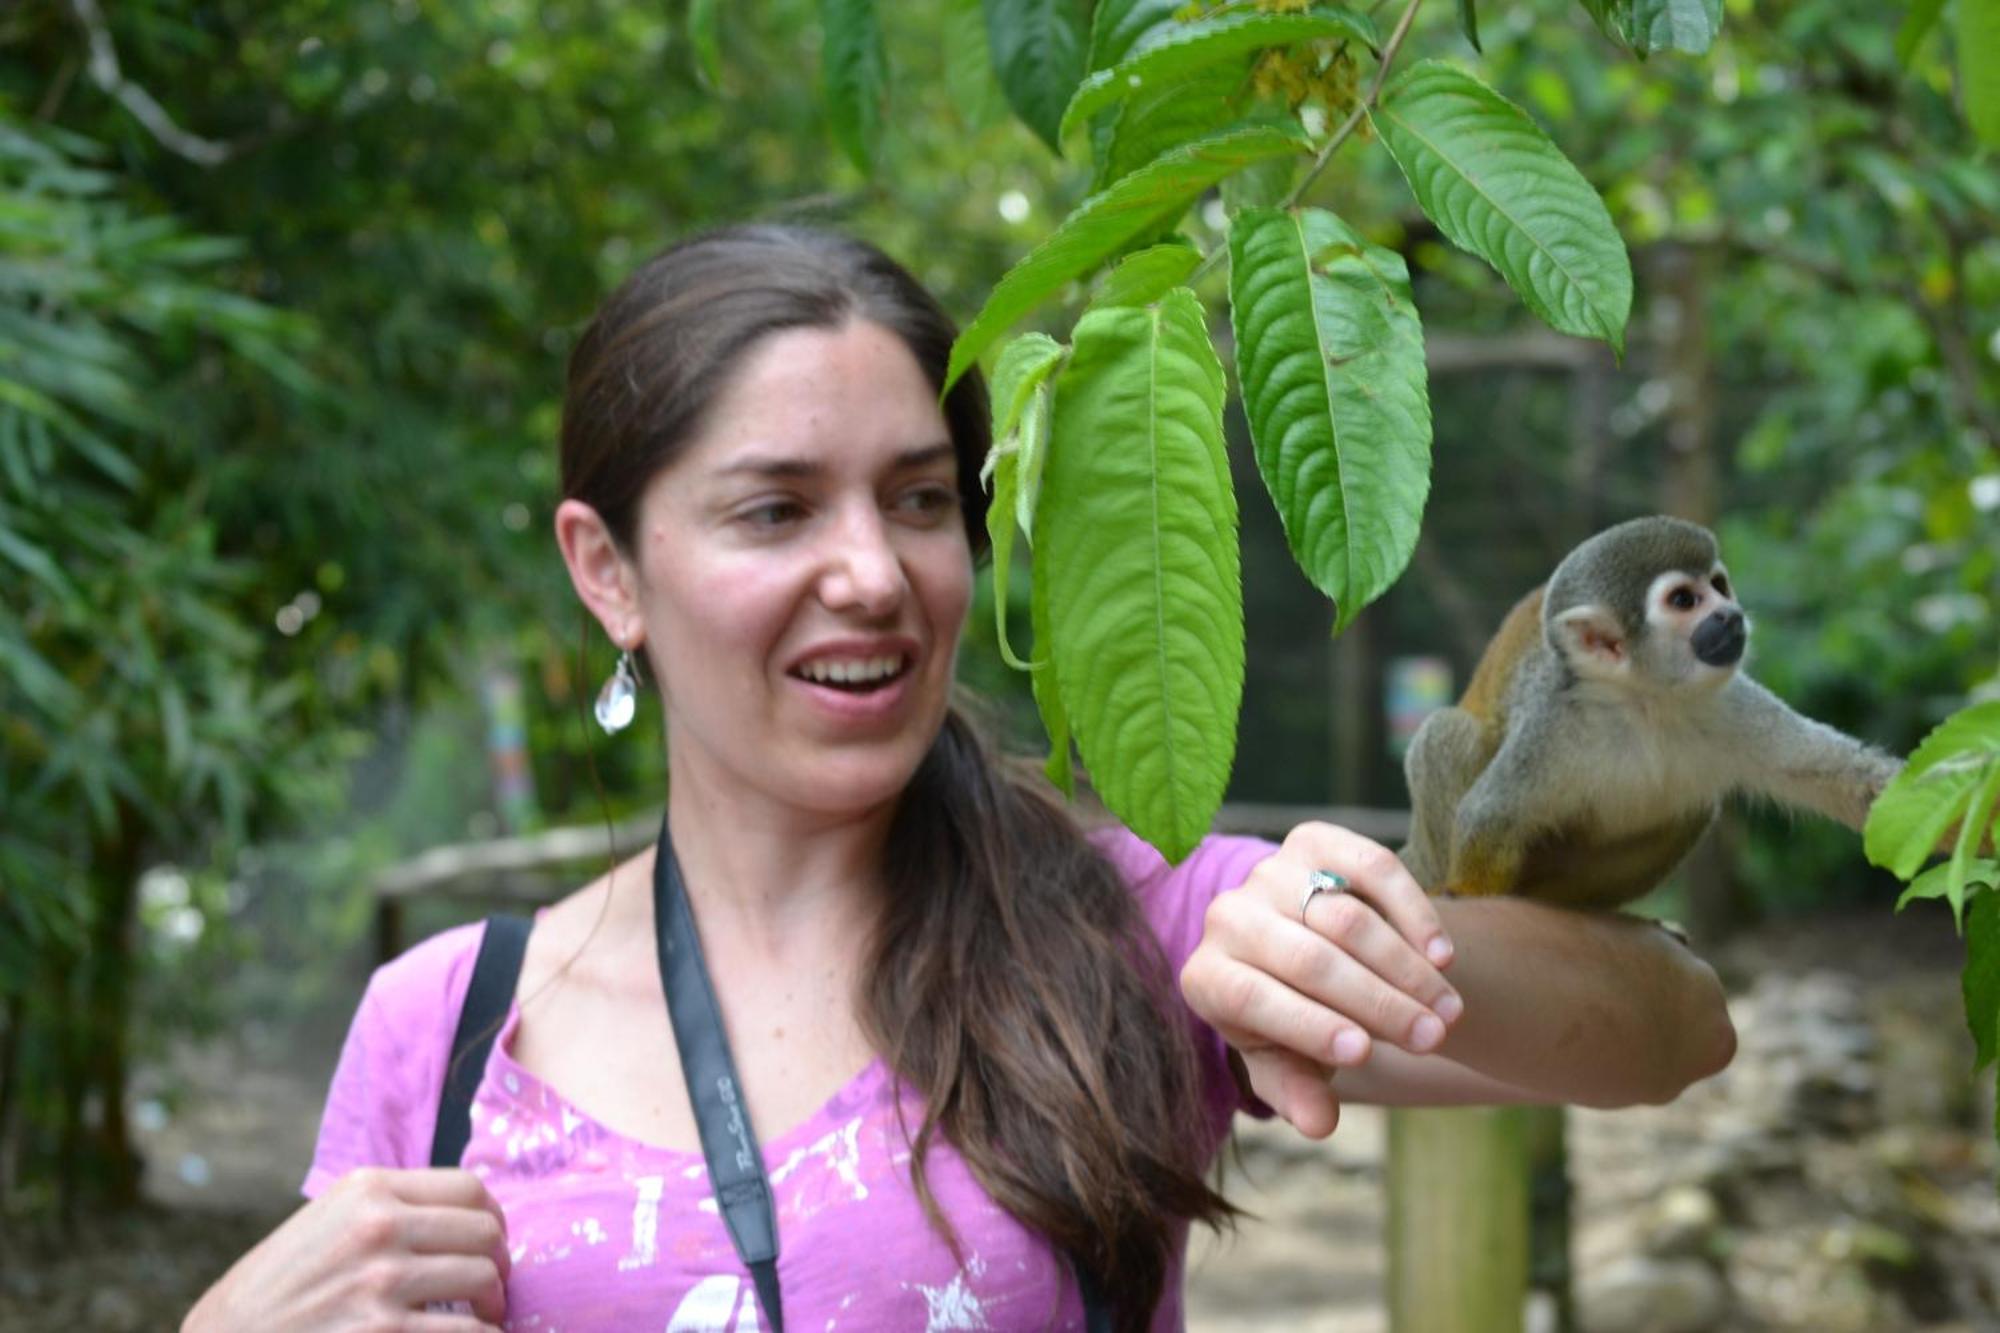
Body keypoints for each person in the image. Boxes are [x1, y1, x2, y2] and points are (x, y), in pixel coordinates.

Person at [181, 224, 1736, 1333]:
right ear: (610, 571)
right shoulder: (445, 1028)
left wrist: (1360, 936)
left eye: (919, 499)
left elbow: (1676, 1027)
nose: (873, 571)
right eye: (775, 510)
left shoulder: (1129, 921)